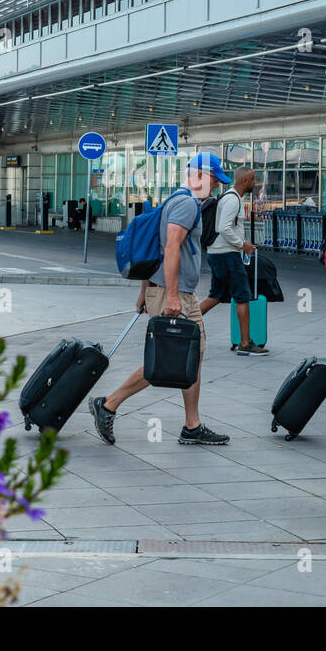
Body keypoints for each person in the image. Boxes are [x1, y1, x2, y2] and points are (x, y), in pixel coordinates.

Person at [91, 152, 233, 446]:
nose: (217, 187)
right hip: (175, 295)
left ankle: (192, 426)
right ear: (200, 176)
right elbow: (170, 248)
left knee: (193, 355)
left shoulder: (175, 200)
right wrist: (170, 296)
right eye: (215, 181)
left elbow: (156, 248)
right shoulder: (185, 204)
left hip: (174, 292)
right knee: (166, 359)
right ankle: (108, 404)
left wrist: (145, 291)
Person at [198, 166, 266, 356]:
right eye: (252, 179)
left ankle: (185, 320)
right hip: (226, 254)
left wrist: (242, 242)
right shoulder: (232, 199)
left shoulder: (231, 198)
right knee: (242, 295)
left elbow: (229, 227)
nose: (254, 183)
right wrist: (241, 244)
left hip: (220, 253)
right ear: (244, 181)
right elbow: (224, 228)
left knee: (216, 295)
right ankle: (245, 342)